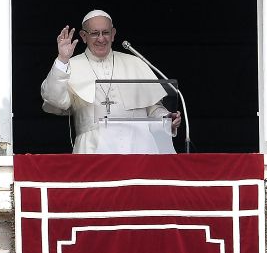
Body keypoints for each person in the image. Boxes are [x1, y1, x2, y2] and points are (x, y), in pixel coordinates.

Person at [41, 9, 182, 154]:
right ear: (83, 36)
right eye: (95, 33)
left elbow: (153, 108)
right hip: (93, 149)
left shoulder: (134, 62)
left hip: (139, 146)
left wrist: (166, 118)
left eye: (106, 33)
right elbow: (55, 100)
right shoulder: (70, 66)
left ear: (113, 34)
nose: (101, 39)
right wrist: (62, 59)